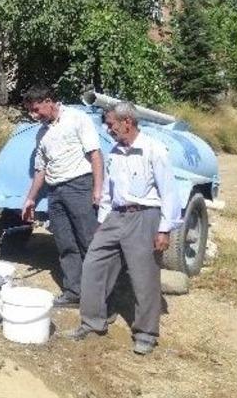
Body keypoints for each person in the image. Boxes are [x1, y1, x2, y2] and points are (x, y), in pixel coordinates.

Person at [67, 102, 180, 356]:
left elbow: (169, 193)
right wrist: (102, 223)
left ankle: (145, 333)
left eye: (111, 124)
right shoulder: (115, 152)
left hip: (144, 217)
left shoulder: (154, 150)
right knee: (94, 264)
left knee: (144, 276)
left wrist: (164, 229)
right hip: (115, 217)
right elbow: (108, 191)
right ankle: (93, 321)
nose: (108, 130)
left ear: (127, 122)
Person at [20, 85, 103, 307]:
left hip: (79, 186)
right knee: (65, 243)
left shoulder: (77, 119)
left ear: (49, 101)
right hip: (55, 191)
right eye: (31, 111)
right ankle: (73, 292)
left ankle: (100, 300)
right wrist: (30, 198)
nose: (34, 115)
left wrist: (97, 190)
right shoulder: (42, 133)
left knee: (89, 243)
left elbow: (95, 154)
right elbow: (41, 169)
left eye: (37, 109)